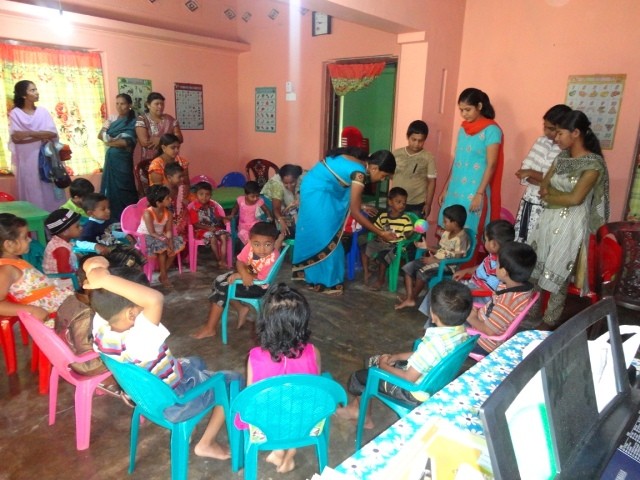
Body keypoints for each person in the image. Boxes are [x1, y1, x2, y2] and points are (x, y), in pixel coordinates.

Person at [86, 257, 241, 459]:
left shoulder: (100, 325)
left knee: (196, 362)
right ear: (131, 313)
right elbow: (155, 299)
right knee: (231, 380)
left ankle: (188, 429)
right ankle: (206, 443)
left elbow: (94, 264)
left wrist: (99, 275)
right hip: (176, 400)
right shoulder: (140, 339)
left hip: (147, 397)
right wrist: (104, 279)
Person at [336, 280, 472, 429]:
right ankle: (357, 407)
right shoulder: (459, 331)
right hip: (431, 379)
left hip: (412, 392)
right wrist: (397, 357)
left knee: (358, 378)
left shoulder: (433, 345)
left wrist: (383, 366)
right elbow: (427, 355)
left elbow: (408, 378)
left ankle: (364, 417)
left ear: (433, 315)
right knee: (371, 363)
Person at [528, 110, 609, 327]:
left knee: (559, 270)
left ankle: (549, 320)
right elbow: (544, 184)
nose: (556, 138)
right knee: (535, 266)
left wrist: (550, 196)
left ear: (575, 133)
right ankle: (530, 313)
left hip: (571, 222)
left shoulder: (593, 164)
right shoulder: (562, 157)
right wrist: (553, 195)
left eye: (560, 133)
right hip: (548, 218)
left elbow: (575, 199)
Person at [238, 283, 320, 473]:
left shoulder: (255, 356)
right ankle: (290, 450)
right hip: (306, 422)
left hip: (265, 427)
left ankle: (280, 449)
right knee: (296, 402)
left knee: (270, 404)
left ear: (265, 323)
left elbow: (252, 397)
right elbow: (315, 385)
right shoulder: (313, 351)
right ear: (302, 322)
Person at [293, 148, 397, 295]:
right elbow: (355, 212)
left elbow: (345, 187)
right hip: (316, 192)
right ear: (374, 168)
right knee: (326, 237)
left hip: (323, 189)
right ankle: (327, 283)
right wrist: (381, 232)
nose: (382, 180)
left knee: (325, 236)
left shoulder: (361, 165)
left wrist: (360, 205)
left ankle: (317, 280)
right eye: (384, 176)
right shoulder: (360, 173)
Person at [191, 222, 284, 340]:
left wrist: (241, 274)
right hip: (248, 278)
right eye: (257, 244)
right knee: (219, 281)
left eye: (267, 244)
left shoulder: (272, 257)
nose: (262, 249)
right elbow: (240, 261)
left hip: (258, 287)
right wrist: (243, 274)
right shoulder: (249, 247)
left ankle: (210, 328)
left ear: (274, 242)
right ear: (250, 241)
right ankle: (240, 309)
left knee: (222, 287)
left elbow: (259, 277)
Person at [438, 88, 504, 234]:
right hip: (455, 188)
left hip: (474, 189)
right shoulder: (463, 129)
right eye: (461, 110)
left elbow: (492, 164)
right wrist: (446, 189)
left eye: (467, 109)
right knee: (449, 231)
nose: (464, 114)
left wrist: (479, 194)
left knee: (467, 233)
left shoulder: (492, 130)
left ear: (479, 106)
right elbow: (458, 161)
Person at [0, 213, 74, 324]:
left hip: (59, 304)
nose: (30, 240)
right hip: (50, 314)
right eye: (25, 237)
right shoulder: (6, 269)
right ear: (9, 245)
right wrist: (31, 310)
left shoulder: (16, 261)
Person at [514, 105, 572, 242]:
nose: (546, 132)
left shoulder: (567, 150)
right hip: (529, 198)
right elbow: (524, 170)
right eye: (544, 127)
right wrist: (537, 177)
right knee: (522, 238)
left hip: (548, 203)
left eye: (551, 129)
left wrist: (531, 173)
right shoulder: (541, 141)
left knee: (541, 240)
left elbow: (555, 180)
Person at [466, 242, 536, 355]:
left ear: (503, 272)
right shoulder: (519, 288)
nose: (495, 266)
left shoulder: (507, 302)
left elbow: (488, 331)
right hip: (483, 324)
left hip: (483, 342)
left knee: (447, 322)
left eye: (497, 264)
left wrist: (471, 318)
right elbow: (495, 311)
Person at [396, 204, 469, 310]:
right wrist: (426, 247)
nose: (443, 224)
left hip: (448, 265)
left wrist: (435, 260)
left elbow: (456, 258)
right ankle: (410, 298)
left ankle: (412, 298)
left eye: (445, 221)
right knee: (408, 268)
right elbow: (440, 248)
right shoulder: (446, 233)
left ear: (455, 223)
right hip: (435, 260)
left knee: (421, 272)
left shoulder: (462, 238)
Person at [8, 80, 60, 211]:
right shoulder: (15, 113)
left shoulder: (43, 112)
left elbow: (52, 134)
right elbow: (16, 139)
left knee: (48, 188)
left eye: (36, 89)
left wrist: (28, 133)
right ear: (23, 95)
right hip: (27, 160)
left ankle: (53, 221)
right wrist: (40, 136)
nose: (37, 93)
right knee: (32, 189)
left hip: (46, 158)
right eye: (32, 90)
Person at [361, 187, 414, 290]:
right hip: (381, 243)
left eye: (404, 203)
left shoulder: (405, 219)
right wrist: (379, 235)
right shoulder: (383, 216)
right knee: (364, 249)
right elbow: (376, 229)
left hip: (397, 246)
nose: (402, 205)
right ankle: (367, 272)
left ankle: (381, 280)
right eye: (398, 202)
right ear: (390, 202)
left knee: (383, 257)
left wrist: (413, 231)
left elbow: (407, 235)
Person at [99, 93, 139, 222]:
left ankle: (129, 219)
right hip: (111, 161)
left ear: (129, 105)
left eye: (122, 103)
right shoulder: (112, 119)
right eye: (117, 103)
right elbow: (100, 135)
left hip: (123, 161)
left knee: (125, 188)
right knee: (111, 190)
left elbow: (127, 142)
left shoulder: (133, 122)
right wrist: (106, 132)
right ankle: (113, 219)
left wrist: (109, 142)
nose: (119, 106)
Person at [135, 92, 183, 194]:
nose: (160, 107)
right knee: (153, 191)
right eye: (156, 104)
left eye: (162, 104)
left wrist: (160, 139)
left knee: (172, 187)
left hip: (169, 161)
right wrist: (168, 139)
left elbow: (179, 138)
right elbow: (144, 142)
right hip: (148, 161)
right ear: (148, 105)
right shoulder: (142, 119)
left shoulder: (170, 120)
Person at [137, 185, 185, 287]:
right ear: (158, 203)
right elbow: (151, 232)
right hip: (145, 237)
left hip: (159, 236)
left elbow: (168, 230)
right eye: (167, 198)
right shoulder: (148, 213)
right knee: (162, 248)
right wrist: (164, 240)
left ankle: (162, 273)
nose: (170, 199)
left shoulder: (168, 213)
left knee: (174, 247)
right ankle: (164, 277)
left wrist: (170, 242)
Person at [391, 120, 437, 218]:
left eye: (420, 141)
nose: (416, 144)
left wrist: (428, 204)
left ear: (425, 139)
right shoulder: (396, 154)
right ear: (408, 137)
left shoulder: (428, 157)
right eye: (414, 139)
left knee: (416, 228)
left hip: (417, 204)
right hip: (395, 202)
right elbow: (389, 174)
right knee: (393, 227)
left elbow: (432, 182)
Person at [188, 181, 229, 269]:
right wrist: (207, 227)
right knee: (212, 238)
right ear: (196, 195)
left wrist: (223, 218)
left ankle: (223, 260)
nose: (204, 197)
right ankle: (218, 260)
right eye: (201, 194)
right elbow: (195, 224)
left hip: (215, 228)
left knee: (223, 236)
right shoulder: (194, 208)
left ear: (211, 195)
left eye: (207, 194)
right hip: (201, 231)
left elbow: (217, 217)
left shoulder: (213, 205)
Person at [260, 164, 304, 238]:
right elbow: (276, 208)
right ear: (281, 179)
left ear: (297, 178)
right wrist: (281, 221)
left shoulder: (301, 179)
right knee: (276, 229)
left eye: (292, 182)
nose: (289, 186)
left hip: (282, 205)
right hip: (267, 205)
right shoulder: (277, 184)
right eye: (286, 183)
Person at [228, 181, 273, 245]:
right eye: (252, 196)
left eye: (257, 196)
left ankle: (257, 246)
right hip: (243, 226)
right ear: (246, 195)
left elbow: (266, 210)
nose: (255, 198)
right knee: (244, 236)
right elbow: (235, 208)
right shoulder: (240, 200)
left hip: (255, 225)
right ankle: (248, 248)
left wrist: (269, 217)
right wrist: (232, 215)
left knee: (259, 235)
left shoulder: (259, 201)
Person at [42, 209, 82, 275]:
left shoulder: (61, 241)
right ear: (65, 232)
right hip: (58, 280)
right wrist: (80, 272)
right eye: (77, 226)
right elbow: (64, 275)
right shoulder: (61, 249)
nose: (81, 228)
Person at [165, 162, 188, 238]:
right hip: (166, 217)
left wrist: (183, 201)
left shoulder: (178, 187)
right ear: (169, 178)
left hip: (175, 214)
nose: (182, 179)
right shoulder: (165, 190)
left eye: (183, 176)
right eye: (179, 177)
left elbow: (178, 201)